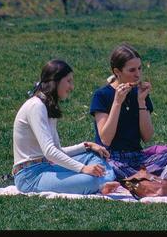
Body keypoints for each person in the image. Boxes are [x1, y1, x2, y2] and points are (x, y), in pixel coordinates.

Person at [12, 59, 119, 194]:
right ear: (55, 81)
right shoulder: (36, 106)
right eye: (68, 81)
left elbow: (57, 151)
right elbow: (50, 152)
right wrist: (82, 169)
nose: (72, 87)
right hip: (30, 177)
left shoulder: (47, 106)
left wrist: (86, 146)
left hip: (47, 166)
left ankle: (102, 182)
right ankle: (100, 183)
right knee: (89, 180)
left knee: (93, 156)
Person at [89, 44, 155, 179]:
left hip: (136, 155)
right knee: (125, 174)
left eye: (139, 68)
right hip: (110, 157)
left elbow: (147, 137)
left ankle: (142, 176)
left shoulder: (140, 94)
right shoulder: (102, 95)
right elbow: (105, 139)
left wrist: (141, 101)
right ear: (117, 72)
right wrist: (117, 102)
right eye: (131, 70)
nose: (137, 74)